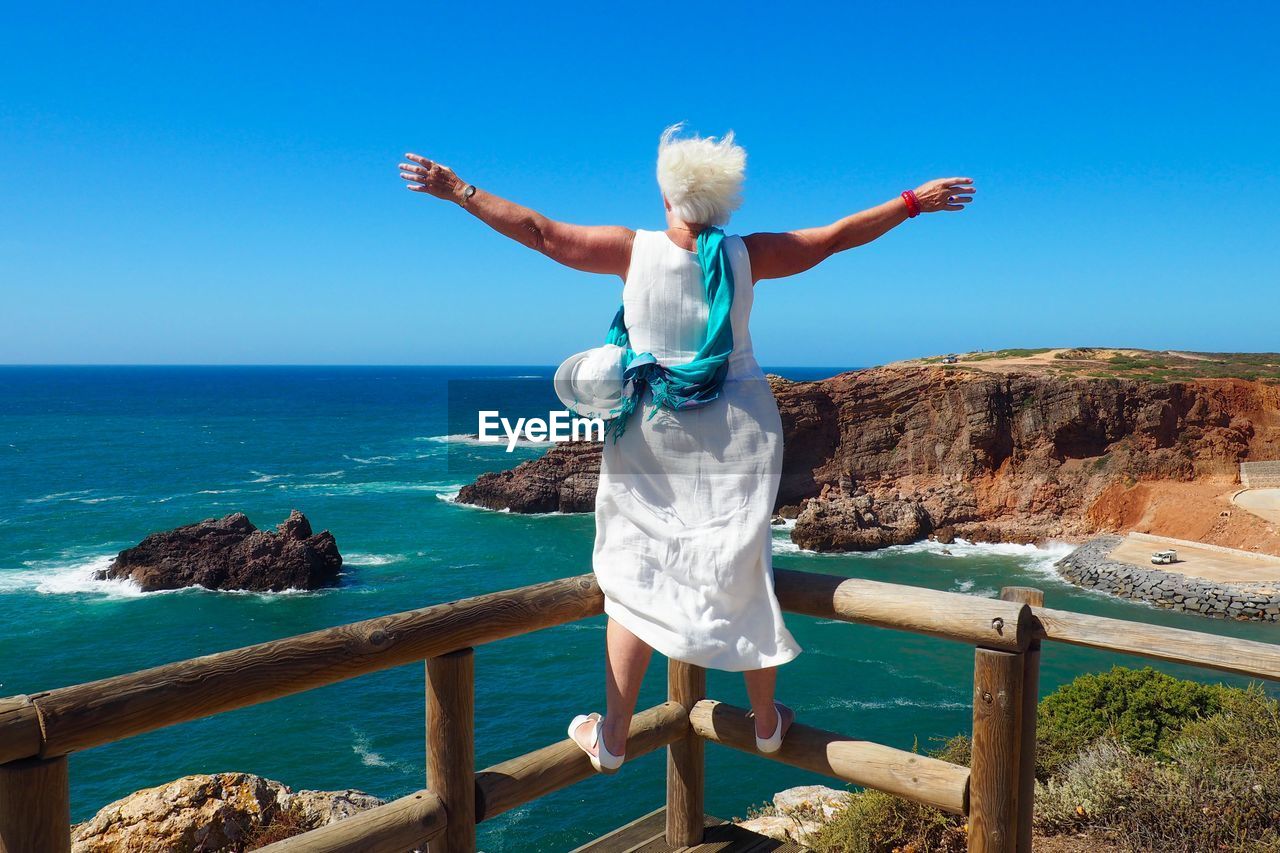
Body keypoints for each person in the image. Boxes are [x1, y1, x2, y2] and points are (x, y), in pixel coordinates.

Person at [398, 125, 975, 774]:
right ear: (723, 200)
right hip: (739, 429)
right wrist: (911, 201)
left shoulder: (632, 248)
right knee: (742, 560)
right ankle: (764, 723)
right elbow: (837, 236)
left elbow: (539, 231)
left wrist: (459, 190)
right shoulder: (745, 255)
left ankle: (612, 734)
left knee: (634, 567)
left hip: (653, 428)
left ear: (668, 195)